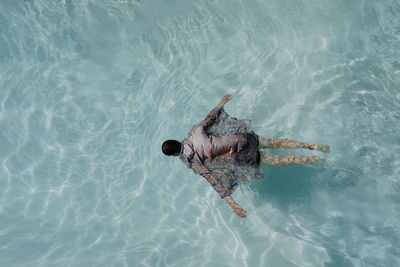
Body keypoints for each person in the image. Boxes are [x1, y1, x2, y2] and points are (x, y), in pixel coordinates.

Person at [162, 94, 330, 218]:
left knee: (282, 160)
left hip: (245, 159)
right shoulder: (195, 131)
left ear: (175, 155)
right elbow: (211, 118)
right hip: (245, 140)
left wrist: (232, 204)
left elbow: (214, 180)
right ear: (178, 140)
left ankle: (311, 160)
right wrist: (222, 102)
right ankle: (311, 146)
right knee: (277, 143)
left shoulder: (193, 162)